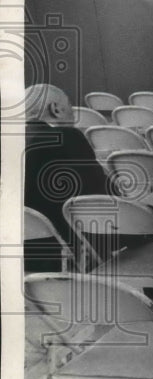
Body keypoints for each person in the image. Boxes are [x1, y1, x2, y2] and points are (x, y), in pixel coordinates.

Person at [23, 83, 114, 270]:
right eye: (70, 108)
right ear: (55, 109)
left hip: (18, 255)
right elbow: (100, 195)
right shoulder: (65, 137)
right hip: (64, 252)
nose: (73, 116)